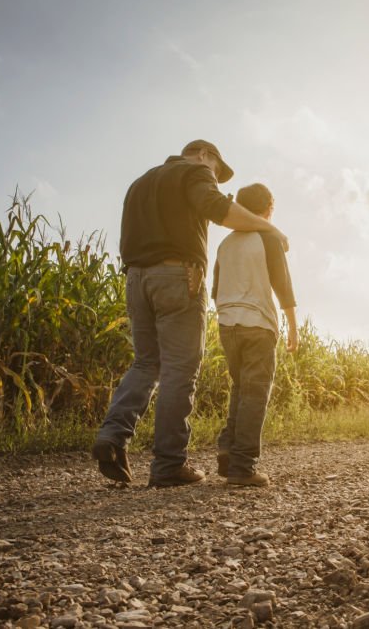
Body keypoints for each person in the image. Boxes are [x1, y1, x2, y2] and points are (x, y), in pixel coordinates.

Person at [92, 140, 288, 488]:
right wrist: (269, 227)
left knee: (146, 363)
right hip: (176, 276)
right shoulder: (196, 170)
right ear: (204, 155)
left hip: (136, 279)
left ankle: (112, 436)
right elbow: (217, 208)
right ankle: (168, 464)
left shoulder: (142, 181)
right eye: (216, 170)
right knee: (180, 370)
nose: (214, 177)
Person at [211, 183, 298, 487]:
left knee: (240, 387)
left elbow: (215, 290)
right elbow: (282, 284)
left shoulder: (225, 244)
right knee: (255, 392)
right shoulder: (268, 237)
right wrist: (292, 326)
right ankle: (243, 466)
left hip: (227, 324)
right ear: (269, 209)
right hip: (258, 325)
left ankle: (227, 444)